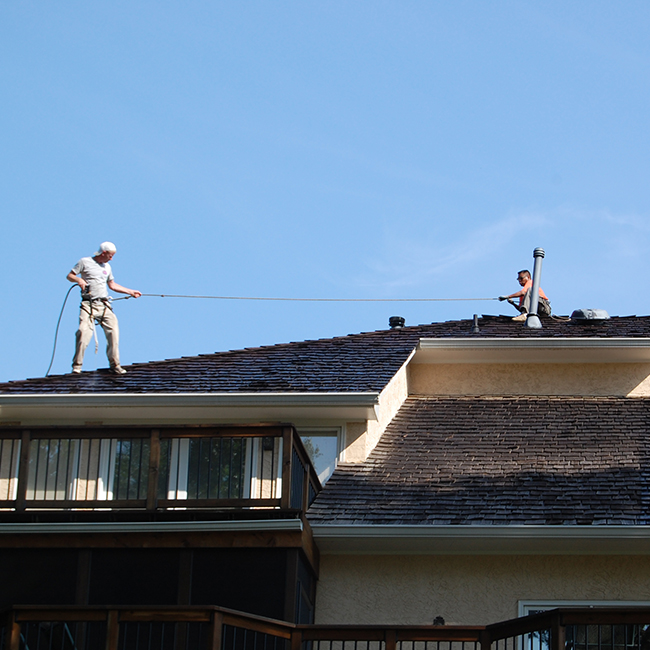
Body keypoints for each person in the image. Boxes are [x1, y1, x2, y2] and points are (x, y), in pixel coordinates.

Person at [67, 242, 141, 374]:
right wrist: (79, 280)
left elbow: (112, 285)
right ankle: (77, 366)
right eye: (110, 255)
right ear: (103, 253)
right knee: (83, 333)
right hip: (88, 305)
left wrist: (130, 291)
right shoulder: (84, 262)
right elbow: (70, 275)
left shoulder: (107, 266)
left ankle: (115, 365)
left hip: (104, 305)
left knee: (113, 333)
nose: (111, 259)